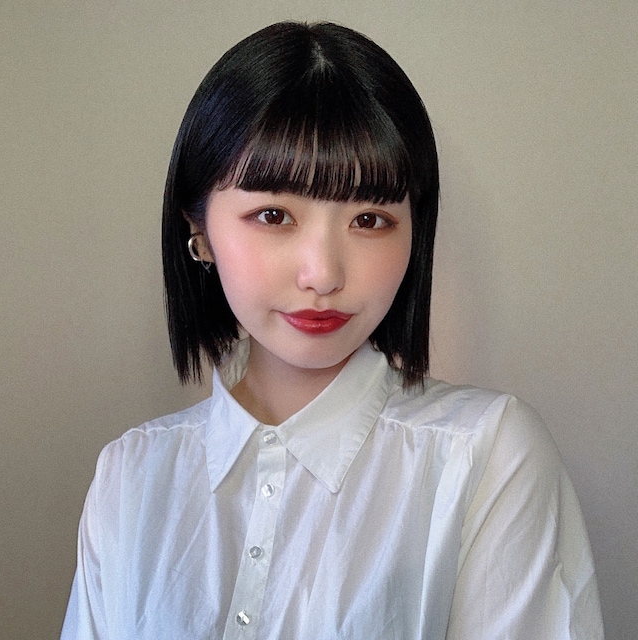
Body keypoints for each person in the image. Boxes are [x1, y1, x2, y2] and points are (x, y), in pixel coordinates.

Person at [61, 21, 603, 640]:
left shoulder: (485, 456)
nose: (323, 274)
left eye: (370, 219)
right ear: (200, 231)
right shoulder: (130, 475)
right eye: (274, 214)